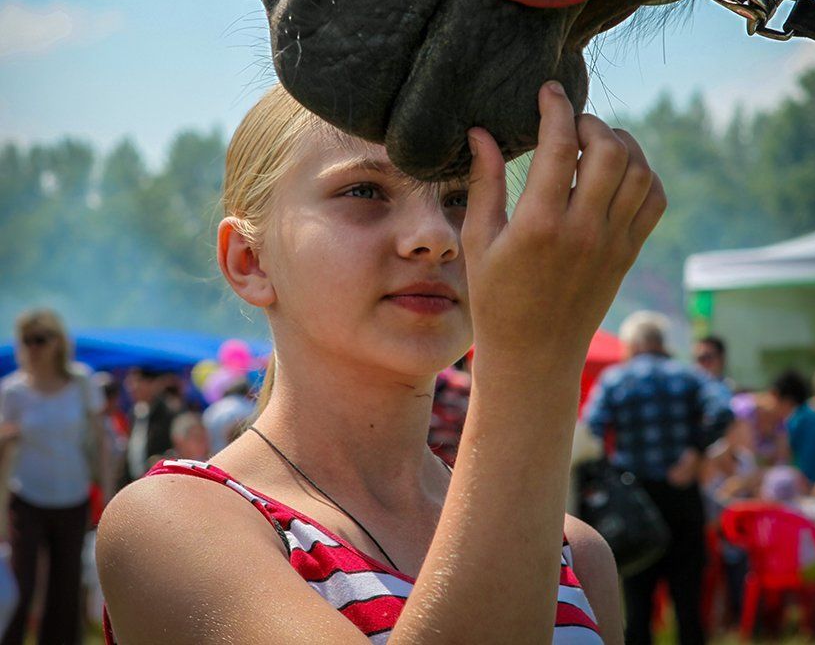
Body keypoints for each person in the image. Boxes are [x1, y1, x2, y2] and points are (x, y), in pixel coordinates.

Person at [97, 81, 667, 644]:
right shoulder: (174, 524)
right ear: (250, 260)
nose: (436, 237)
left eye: (459, 198)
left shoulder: (574, 553)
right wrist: (534, 358)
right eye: (365, 192)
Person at [584, 310, 733, 645]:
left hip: (634, 500)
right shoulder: (690, 376)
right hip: (683, 494)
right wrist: (695, 452)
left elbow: (591, 427)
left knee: (639, 602)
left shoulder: (615, 379)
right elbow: (723, 410)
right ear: (661, 343)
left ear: (633, 343)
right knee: (688, 598)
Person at [0, 308, 107, 645]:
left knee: (66, 585)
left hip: (72, 495)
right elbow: (4, 448)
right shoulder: (13, 390)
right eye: (27, 340)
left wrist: (105, 488)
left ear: (57, 342)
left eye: (40, 339)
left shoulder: (81, 381)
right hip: (26, 495)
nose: (33, 347)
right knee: (21, 583)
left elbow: (100, 440)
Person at [729, 370, 809, 469]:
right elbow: (746, 456)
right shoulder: (742, 409)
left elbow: (782, 460)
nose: (790, 414)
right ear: (774, 394)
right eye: (788, 406)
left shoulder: (780, 424)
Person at [202, 377, 255, 455]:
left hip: (213, 456)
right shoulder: (247, 407)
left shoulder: (212, 409)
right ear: (248, 392)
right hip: (239, 454)